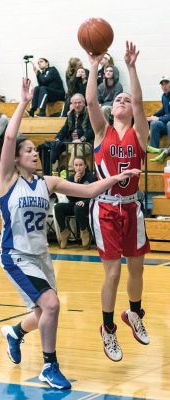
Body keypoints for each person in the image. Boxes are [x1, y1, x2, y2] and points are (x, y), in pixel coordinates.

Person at [0, 78, 140, 390]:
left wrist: (117, 176)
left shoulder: (46, 182)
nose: (35, 153)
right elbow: (9, 138)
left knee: (42, 312)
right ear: (17, 158)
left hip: (42, 258)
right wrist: (22, 102)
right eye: (29, 150)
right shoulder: (7, 180)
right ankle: (50, 366)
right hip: (16, 256)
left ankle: (15, 333)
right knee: (51, 305)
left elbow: (89, 189)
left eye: (35, 150)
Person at [86, 42, 150, 363]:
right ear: (112, 110)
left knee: (137, 268)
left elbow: (138, 100)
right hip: (107, 207)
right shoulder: (101, 131)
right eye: (118, 99)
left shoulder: (140, 134)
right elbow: (90, 100)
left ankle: (134, 313)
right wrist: (95, 64)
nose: (123, 100)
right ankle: (108, 328)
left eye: (126, 99)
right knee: (112, 274)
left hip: (132, 207)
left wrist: (132, 67)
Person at [54, 156, 95, 249]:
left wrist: (85, 201)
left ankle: (84, 231)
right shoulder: (71, 178)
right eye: (76, 165)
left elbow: (95, 194)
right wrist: (75, 182)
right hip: (74, 204)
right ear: (74, 167)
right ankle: (64, 232)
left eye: (81, 165)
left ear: (85, 166)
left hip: (87, 205)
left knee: (78, 207)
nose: (79, 167)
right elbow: (70, 197)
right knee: (58, 207)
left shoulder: (91, 177)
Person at [52, 93, 94, 169]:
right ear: (72, 104)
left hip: (86, 144)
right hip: (71, 142)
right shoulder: (70, 115)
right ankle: (53, 172)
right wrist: (58, 138)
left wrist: (81, 140)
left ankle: (71, 173)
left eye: (79, 102)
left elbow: (92, 131)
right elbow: (64, 130)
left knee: (77, 149)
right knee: (55, 145)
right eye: (75, 103)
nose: (77, 105)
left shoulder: (90, 114)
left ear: (84, 103)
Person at [147, 76, 170, 148]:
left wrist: (158, 118)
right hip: (166, 123)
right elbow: (164, 110)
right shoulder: (164, 96)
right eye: (162, 84)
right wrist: (152, 116)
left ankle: (168, 150)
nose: (164, 86)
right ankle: (153, 149)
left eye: (166, 83)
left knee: (169, 124)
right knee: (155, 124)